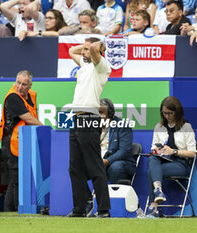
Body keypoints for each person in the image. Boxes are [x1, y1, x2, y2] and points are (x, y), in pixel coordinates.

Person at [67, 37, 111, 218]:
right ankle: (79, 208)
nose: (83, 52)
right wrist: (85, 46)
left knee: (94, 166)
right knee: (74, 168)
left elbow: (93, 48)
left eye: (86, 50)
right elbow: (71, 51)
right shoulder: (85, 66)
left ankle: (103, 210)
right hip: (75, 118)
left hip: (90, 118)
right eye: (83, 49)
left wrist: (97, 45)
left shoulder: (101, 67)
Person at [0, 70, 43, 211]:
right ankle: (14, 210)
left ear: (30, 85)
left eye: (24, 84)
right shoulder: (13, 97)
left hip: (25, 141)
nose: (20, 87)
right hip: (12, 142)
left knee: (20, 178)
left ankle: (14, 209)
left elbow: (33, 115)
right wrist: (45, 128)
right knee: (16, 179)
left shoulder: (32, 95)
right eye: (18, 83)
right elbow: (28, 118)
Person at [145, 96, 197, 218]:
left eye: (170, 113)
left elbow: (193, 152)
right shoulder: (159, 127)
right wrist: (158, 151)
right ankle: (158, 191)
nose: (167, 116)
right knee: (152, 158)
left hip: (180, 164)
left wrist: (173, 151)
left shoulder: (186, 127)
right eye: (164, 113)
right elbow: (153, 148)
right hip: (162, 161)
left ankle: (154, 208)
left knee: (151, 171)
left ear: (177, 112)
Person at [99, 98, 136, 184]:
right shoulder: (93, 126)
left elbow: (124, 151)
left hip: (119, 162)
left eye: (102, 113)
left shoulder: (122, 126)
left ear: (110, 113)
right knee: (76, 167)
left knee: (116, 167)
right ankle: (86, 196)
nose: (99, 116)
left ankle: (116, 195)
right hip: (99, 161)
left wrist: (107, 161)